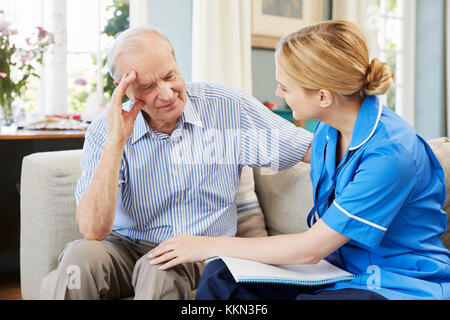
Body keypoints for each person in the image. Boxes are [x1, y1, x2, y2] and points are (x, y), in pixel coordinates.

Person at [149, 20, 450, 300]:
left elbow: (310, 249)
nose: (278, 93)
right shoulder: (327, 132)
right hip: (336, 270)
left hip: (393, 282)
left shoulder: (392, 154)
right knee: (222, 277)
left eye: (286, 86)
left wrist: (204, 244)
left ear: (323, 96)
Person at [43, 26, 313, 300]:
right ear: (125, 89)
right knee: (79, 259)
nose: (167, 93)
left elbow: (307, 148)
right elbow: (92, 230)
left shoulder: (226, 106)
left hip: (197, 248)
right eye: (148, 87)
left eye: (170, 76)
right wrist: (116, 142)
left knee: (159, 268)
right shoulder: (105, 130)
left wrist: (357, 155)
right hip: (123, 246)